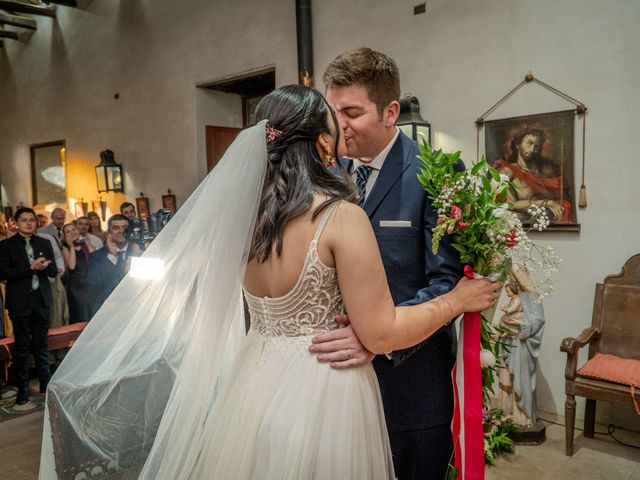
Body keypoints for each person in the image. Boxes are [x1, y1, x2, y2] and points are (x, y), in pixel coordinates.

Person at [39, 86, 500, 480]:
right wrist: (457, 299)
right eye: (334, 123)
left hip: (252, 390)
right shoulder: (340, 217)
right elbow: (380, 332)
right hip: (324, 392)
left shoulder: (244, 223)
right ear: (323, 143)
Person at [312, 47, 464, 479]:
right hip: (340, 384)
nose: (338, 124)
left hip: (412, 388)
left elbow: (446, 283)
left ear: (390, 112)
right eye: (333, 110)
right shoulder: (329, 172)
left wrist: (379, 338)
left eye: (352, 112)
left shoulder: (437, 172)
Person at [0, 207, 57, 410]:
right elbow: (3, 272)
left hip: (41, 300)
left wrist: (45, 267)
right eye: (24, 220)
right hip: (20, 302)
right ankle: (22, 390)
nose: (29, 223)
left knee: (42, 345)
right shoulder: (6, 245)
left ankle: (46, 385)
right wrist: (30, 268)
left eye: (32, 220)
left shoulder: (44, 242)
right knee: (22, 347)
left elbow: (53, 272)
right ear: (16, 223)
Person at [493, 127, 571, 223]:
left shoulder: (540, 172)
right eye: (529, 143)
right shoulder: (509, 171)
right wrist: (547, 203)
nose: (533, 149)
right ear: (518, 145)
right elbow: (509, 204)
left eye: (537, 146)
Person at [87, 214, 142, 314]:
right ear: (109, 232)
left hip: (136, 307)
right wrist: (112, 256)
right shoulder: (97, 256)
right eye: (116, 228)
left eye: (125, 227)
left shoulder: (140, 252)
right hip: (107, 309)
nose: (121, 231)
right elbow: (94, 281)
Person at [61, 223, 94, 323]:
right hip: (77, 288)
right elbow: (71, 266)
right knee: (81, 315)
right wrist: (71, 247)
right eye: (68, 232)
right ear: (64, 236)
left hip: (90, 283)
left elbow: (95, 259)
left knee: (93, 313)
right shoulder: (65, 248)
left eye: (74, 229)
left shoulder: (86, 244)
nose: (72, 233)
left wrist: (87, 243)